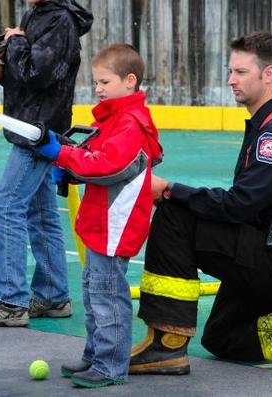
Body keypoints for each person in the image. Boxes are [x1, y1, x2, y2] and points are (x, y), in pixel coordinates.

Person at [129, 31, 272, 375]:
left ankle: (165, 343)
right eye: (231, 71)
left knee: (175, 215)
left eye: (241, 72)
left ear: (268, 74)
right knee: (221, 337)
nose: (231, 80)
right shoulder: (268, 125)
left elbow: (241, 205)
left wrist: (170, 190)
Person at [34, 43, 163, 388]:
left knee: (108, 297)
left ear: (130, 81)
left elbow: (109, 165)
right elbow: (94, 154)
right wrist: (71, 163)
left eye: (105, 81)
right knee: (94, 295)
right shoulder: (113, 119)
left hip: (115, 227)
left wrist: (62, 155)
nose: (99, 88)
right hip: (100, 223)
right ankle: (95, 356)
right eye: (97, 82)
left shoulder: (131, 123)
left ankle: (110, 366)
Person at [0, 0, 93, 327]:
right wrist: (0, 72)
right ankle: (52, 296)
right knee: (41, 213)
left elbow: (39, 75)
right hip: (33, 126)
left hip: (38, 131)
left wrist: (16, 41)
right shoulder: (39, 14)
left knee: (6, 206)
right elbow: (30, 72)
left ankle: (9, 301)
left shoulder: (59, 20)